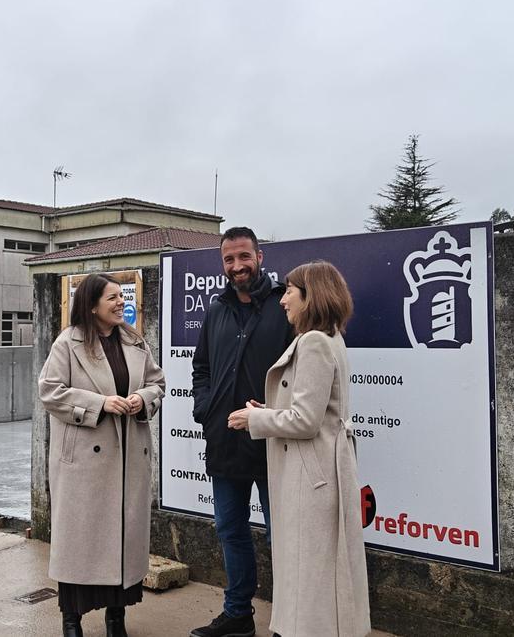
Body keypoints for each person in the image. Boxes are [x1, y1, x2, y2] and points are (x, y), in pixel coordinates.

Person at [227, 260, 371, 637]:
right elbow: (312, 411)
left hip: (311, 477)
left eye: (290, 291)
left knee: (309, 576)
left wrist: (254, 420)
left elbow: (306, 421)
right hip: (322, 469)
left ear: (311, 297)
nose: (283, 300)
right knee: (315, 574)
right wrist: (271, 412)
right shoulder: (330, 339)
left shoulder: (314, 344)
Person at [39, 273, 165, 637]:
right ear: (92, 305)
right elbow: (50, 392)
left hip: (127, 463)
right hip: (85, 464)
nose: (120, 302)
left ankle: (116, 619)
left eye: (121, 296)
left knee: (121, 543)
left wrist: (143, 399)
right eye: (111, 297)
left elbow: (158, 384)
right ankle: (71, 621)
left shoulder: (135, 341)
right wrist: (99, 403)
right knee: (80, 546)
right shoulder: (68, 342)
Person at [190, 227, 293, 637]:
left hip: (274, 441)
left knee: (281, 535)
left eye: (243, 257)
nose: (237, 266)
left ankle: (290, 619)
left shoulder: (285, 304)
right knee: (229, 529)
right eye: (229, 259)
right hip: (225, 440)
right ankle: (238, 615)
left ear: (260, 256)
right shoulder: (216, 310)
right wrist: (205, 408)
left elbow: (300, 374)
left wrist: (275, 414)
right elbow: (202, 368)